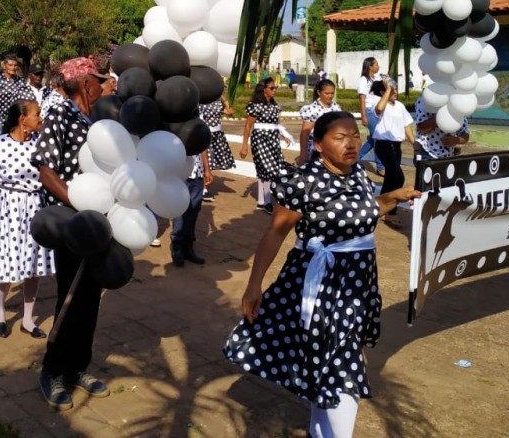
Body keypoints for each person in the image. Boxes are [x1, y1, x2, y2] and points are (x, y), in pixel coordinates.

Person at [225, 111, 421, 438]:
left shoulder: (357, 174)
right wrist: (254, 284)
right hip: (318, 285)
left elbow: (363, 212)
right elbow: (275, 233)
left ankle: (321, 431)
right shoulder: (302, 181)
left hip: (357, 282)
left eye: (355, 136)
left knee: (328, 361)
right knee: (343, 364)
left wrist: (392, 198)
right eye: (340, 138)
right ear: (317, 144)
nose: (351, 144)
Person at [32, 57, 112, 411]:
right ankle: (52, 370)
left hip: (101, 219)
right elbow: (46, 171)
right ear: (83, 83)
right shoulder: (60, 116)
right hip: (72, 220)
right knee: (70, 295)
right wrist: (78, 205)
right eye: (97, 80)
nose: (103, 85)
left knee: (92, 296)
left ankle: (78, 367)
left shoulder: (99, 118)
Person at [0, 99, 54, 338]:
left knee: (33, 264)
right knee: (6, 260)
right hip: (6, 209)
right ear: (22, 119)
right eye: (37, 114)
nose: (41, 118)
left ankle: (28, 319)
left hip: (34, 207)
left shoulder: (41, 146)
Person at [239, 78, 291, 214]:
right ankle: (267, 201)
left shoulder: (274, 106)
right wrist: (244, 145)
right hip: (260, 140)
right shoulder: (255, 106)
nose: (274, 90)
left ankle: (262, 201)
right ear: (264, 89)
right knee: (267, 169)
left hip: (273, 140)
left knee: (265, 170)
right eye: (272, 88)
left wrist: (284, 135)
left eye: (275, 88)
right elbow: (248, 125)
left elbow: (276, 124)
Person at [371, 79, 416, 198]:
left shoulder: (399, 106)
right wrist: (388, 90)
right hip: (384, 145)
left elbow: (406, 125)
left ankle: (385, 210)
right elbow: (379, 109)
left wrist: (414, 143)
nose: (395, 92)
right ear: (383, 92)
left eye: (395, 89)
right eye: (392, 90)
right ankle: (389, 208)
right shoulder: (378, 102)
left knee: (390, 178)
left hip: (396, 146)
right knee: (398, 177)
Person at [170, 148, 212, 266]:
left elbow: (203, 148)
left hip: (197, 174)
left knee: (194, 208)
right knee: (180, 209)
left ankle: (188, 247)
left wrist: (207, 170)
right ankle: (177, 245)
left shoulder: (201, 129)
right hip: (181, 174)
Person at [296, 79, 342, 166]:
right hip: (316, 149)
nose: (330, 96)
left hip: (333, 148)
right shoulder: (312, 109)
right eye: (327, 93)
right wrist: (303, 155)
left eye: (332, 93)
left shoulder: (336, 107)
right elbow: (305, 133)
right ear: (319, 92)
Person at [198, 95, 234, 202]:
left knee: (210, 161)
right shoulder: (200, 103)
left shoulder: (218, 103)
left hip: (216, 135)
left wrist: (223, 98)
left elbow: (230, 111)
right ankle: (203, 189)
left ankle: (204, 187)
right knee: (205, 160)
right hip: (205, 134)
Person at [356, 57, 386, 176]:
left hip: (378, 110)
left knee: (374, 139)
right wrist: (364, 115)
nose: (378, 67)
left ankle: (355, 158)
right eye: (376, 65)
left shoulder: (378, 78)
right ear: (370, 66)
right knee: (378, 138)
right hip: (369, 110)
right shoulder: (363, 80)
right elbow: (362, 98)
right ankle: (380, 167)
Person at [414, 96, 469, 160]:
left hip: (448, 155)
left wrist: (455, 140)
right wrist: (440, 118)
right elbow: (421, 127)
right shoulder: (425, 100)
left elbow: (465, 135)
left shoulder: (457, 103)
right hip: (427, 152)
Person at [0, 54, 35, 125]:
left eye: (15, 65)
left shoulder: (20, 81)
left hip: (15, 121)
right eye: (10, 65)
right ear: (4, 66)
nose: (13, 67)